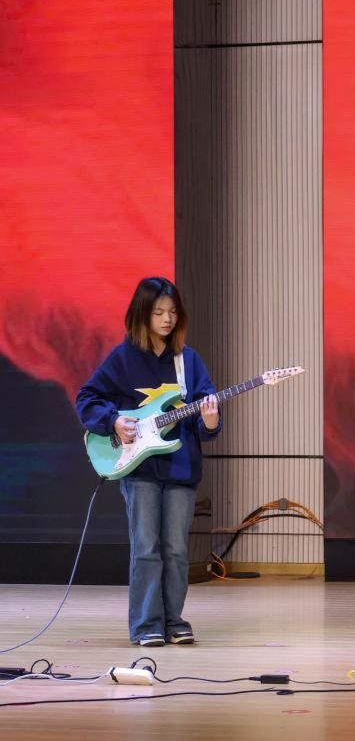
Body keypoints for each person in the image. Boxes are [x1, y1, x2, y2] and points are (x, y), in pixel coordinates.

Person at [76, 277, 220, 647]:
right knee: (145, 547)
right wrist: (113, 421)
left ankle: (174, 620)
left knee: (175, 549)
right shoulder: (122, 358)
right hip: (138, 468)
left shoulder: (188, 360)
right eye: (158, 312)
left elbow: (206, 423)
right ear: (142, 314)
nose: (167, 319)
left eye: (172, 312)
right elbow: (87, 398)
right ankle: (146, 625)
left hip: (181, 468)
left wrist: (210, 421)